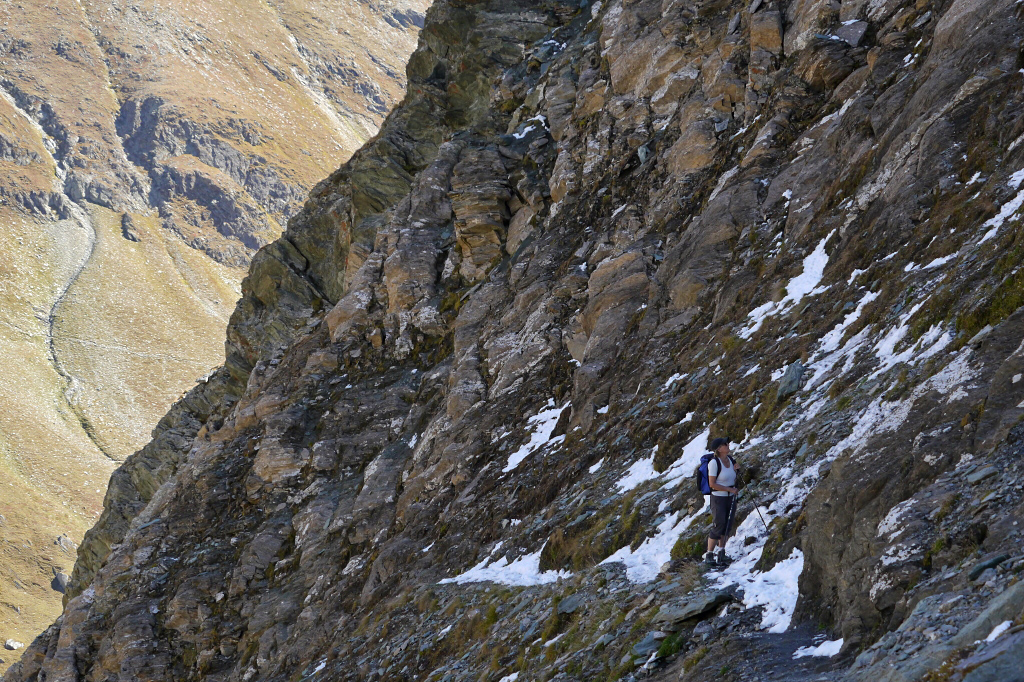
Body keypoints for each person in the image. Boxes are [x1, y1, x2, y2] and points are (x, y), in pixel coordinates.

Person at [704, 437, 739, 567]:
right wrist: (729, 489)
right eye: (725, 444)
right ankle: (709, 554)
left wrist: (736, 470)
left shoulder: (730, 460)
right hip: (718, 498)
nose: (728, 445)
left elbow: (732, 477)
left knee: (728, 524)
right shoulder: (714, 463)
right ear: (719, 449)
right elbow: (712, 484)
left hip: (730, 497)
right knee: (719, 524)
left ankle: (721, 552)